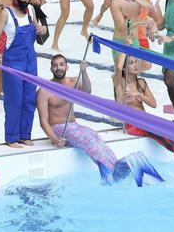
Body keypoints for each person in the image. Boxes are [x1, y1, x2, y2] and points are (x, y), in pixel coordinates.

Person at [39, 55, 162, 186]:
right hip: (59, 129)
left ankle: (116, 167)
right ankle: (116, 170)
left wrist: (84, 71)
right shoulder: (44, 90)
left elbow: (87, 91)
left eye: (61, 64)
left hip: (74, 126)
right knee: (88, 138)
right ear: (51, 68)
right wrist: (55, 139)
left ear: (67, 67)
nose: (59, 68)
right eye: (55, 65)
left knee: (95, 136)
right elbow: (43, 121)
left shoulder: (72, 82)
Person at [118, 56, 174, 168]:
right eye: (131, 63)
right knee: (161, 134)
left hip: (146, 120)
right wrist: (126, 45)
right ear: (124, 67)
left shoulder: (141, 82)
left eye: (136, 62)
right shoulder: (120, 82)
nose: (135, 65)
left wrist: (140, 96)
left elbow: (153, 104)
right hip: (133, 124)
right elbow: (117, 67)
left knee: (166, 130)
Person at [0, 0, 47, 148]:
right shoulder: (6, 14)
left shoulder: (30, 10)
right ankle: (11, 137)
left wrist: (41, 29)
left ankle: (25, 135)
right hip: (13, 62)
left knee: (29, 100)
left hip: (30, 60)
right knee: (14, 100)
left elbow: (36, 27)